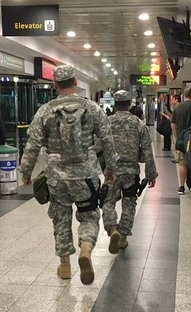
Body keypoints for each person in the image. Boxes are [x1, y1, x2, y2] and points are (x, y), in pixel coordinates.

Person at [20, 65, 119, 285]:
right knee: (89, 214)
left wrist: (26, 171)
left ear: (54, 85)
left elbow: (33, 144)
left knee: (61, 218)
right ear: (75, 82)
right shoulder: (92, 108)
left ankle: (65, 266)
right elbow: (107, 141)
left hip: (56, 176)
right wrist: (110, 169)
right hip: (86, 174)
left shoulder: (45, 111)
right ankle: (85, 248)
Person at [103, 90, 157, 253]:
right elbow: (147, 149)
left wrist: (103, 168)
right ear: (129, 104)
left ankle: (113, 229)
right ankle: (123, 238)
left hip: (112, 172)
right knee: (129, 204)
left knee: (108, 201)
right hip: (131, 172)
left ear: (114, 104)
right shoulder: (138, 123)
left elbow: (97, 147)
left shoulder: (107, 122)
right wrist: (150, 174)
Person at [171, 88, 191, 195]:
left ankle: (182, 187)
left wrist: (176, 137)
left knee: (182, 164)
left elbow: (173, 125)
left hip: (182, 139)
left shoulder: (178, 108)